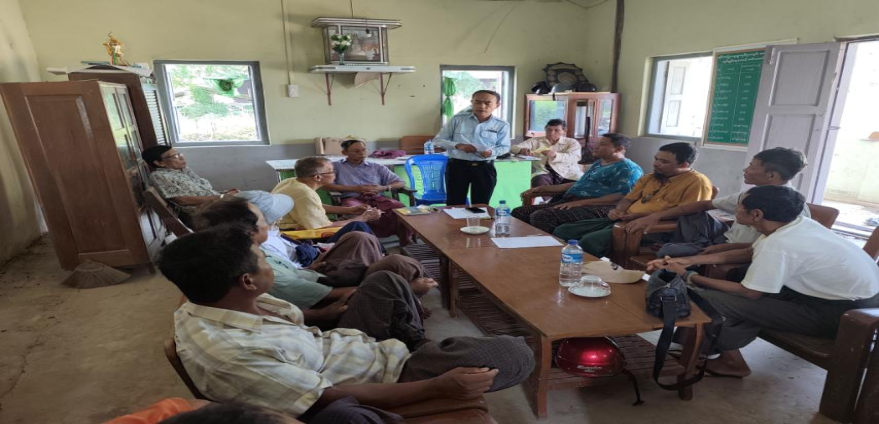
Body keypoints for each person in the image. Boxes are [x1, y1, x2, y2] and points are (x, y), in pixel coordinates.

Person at [158, 227, 534, 419]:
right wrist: (439, 385)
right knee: (514, 352)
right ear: (247, 280)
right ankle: (418, 352)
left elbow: (295, 320)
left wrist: (332, 311)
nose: (271, 264)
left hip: (342, 342)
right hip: (375, 376)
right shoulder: (232, 354)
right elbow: (327, 397)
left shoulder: (210, 302)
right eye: (264, 261)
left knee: (385, 280)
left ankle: (413, 340)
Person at [647, 185, 879, 377]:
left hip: (842, 316)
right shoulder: (796, 225)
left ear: (756, 214)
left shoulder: (779, 244)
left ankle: (731, 361)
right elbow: (749, 252)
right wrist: (689, 260)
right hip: (847, 300)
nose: (736, 209)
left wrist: (689, 275)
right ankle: (712, 348)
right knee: (731, 288)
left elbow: (749, 292)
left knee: (700, 298)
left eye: (740, 206)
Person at [193, 196, 437, 315]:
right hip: (332, 294)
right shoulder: (260, 272)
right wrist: (405, 288)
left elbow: (294, 272)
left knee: (359, 237)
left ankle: (403, 284)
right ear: (250, 231)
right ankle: (409, 294)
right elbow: (328, 297)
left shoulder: (255, 250)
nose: (270, 224)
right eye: (262, 220)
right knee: (397, 264)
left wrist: (312, 268)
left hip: (314, 274)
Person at [626, 147, 810, 258]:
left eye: (752, 166)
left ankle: (685, 255)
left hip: (743, 251)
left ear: (771, 175)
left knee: (669, 252)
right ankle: (689, 246)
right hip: (721, 238)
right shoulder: (752, 193)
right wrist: (656, 216)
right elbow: (705, 204)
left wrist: (717, 249)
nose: (745, 169)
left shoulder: (789, 206)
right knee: (691, 212)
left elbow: (769, 248)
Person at [553, 142, 713, 258]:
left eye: (664, 162)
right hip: (625, 220)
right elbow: (628, 199)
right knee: (563, 231)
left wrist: (645, 216)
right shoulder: (651, 177)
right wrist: (618, 210)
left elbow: (688, 214)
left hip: (654, 228)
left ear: (684, 164)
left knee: (591, 241)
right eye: (656, 159)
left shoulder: (697, 182)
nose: (656, 164)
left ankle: (592, 273)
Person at [511, 133, 643, 234]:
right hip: (573, 200)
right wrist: (541, 188)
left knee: (542, 216)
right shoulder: (599, 163)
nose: (595, 146)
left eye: (602, 144)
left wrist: (580, 203)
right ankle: (526, 246)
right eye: (597, 143)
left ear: (619, 149)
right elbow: (579, 184)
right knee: (519, 212)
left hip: (600, 207)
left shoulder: (628, 169)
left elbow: (620, 197)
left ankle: (551, 252)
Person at [322, 139, 414, 245]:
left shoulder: (376, 166)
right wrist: (355, 189)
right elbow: (326, 185)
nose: (362, 153)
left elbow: (400, 182)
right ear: (345, 152)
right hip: (353, 199)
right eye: (356, 151)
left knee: (399, 208)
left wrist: (383, 188)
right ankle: (367, 243)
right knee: (354, 210)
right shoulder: (335, 166)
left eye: (364, 150)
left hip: (377, 198)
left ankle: (406, 239)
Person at [272, 156, 381, 240]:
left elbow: (314, 206)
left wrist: (349, 210)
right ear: (317, 177)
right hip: (296, 235)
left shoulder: (290, 181)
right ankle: (380, 255)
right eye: (331, 171)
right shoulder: (304, 193)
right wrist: (363, 218)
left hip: (294, 227)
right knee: (358, 226)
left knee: (354, 224)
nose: (335, 174)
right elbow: (322, 228)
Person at [432, 90, 511, 205]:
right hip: (457, 167)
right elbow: (438, 140)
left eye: (487, 103)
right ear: (472, 102)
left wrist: (491, 152)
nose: (482, 106)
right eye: (477, 102)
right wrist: (458, 145)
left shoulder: (501, 125)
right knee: (454, 204)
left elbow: (504, 147)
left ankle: (479, 217)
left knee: (481, 205)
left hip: (484, 168)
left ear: (497, 105)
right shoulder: (458, 119)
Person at [142, 146, 239, 225]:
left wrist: (224, 193)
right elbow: (182, 200)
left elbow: (200, 190)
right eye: (175, 156)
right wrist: (221, 197)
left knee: (246, 196)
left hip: (216, 204)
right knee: (247, 202)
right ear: (160, 163)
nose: (181, 158)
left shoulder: (183, 170)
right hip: (204, 212)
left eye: (179, 154)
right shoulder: (160, 176)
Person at [510, 119, 583, 196]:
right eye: (549, 130)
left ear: (564, 131)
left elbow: (574, 157)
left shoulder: (571, 142)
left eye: (556, 130)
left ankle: (564, 202)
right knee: (539, 181)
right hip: (544, 171)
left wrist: (555, 155)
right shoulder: (535, 141)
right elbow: (513, 148)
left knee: (579, 184)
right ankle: (545, 202)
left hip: (567, 172)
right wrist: (522, 150)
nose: (552, 133)